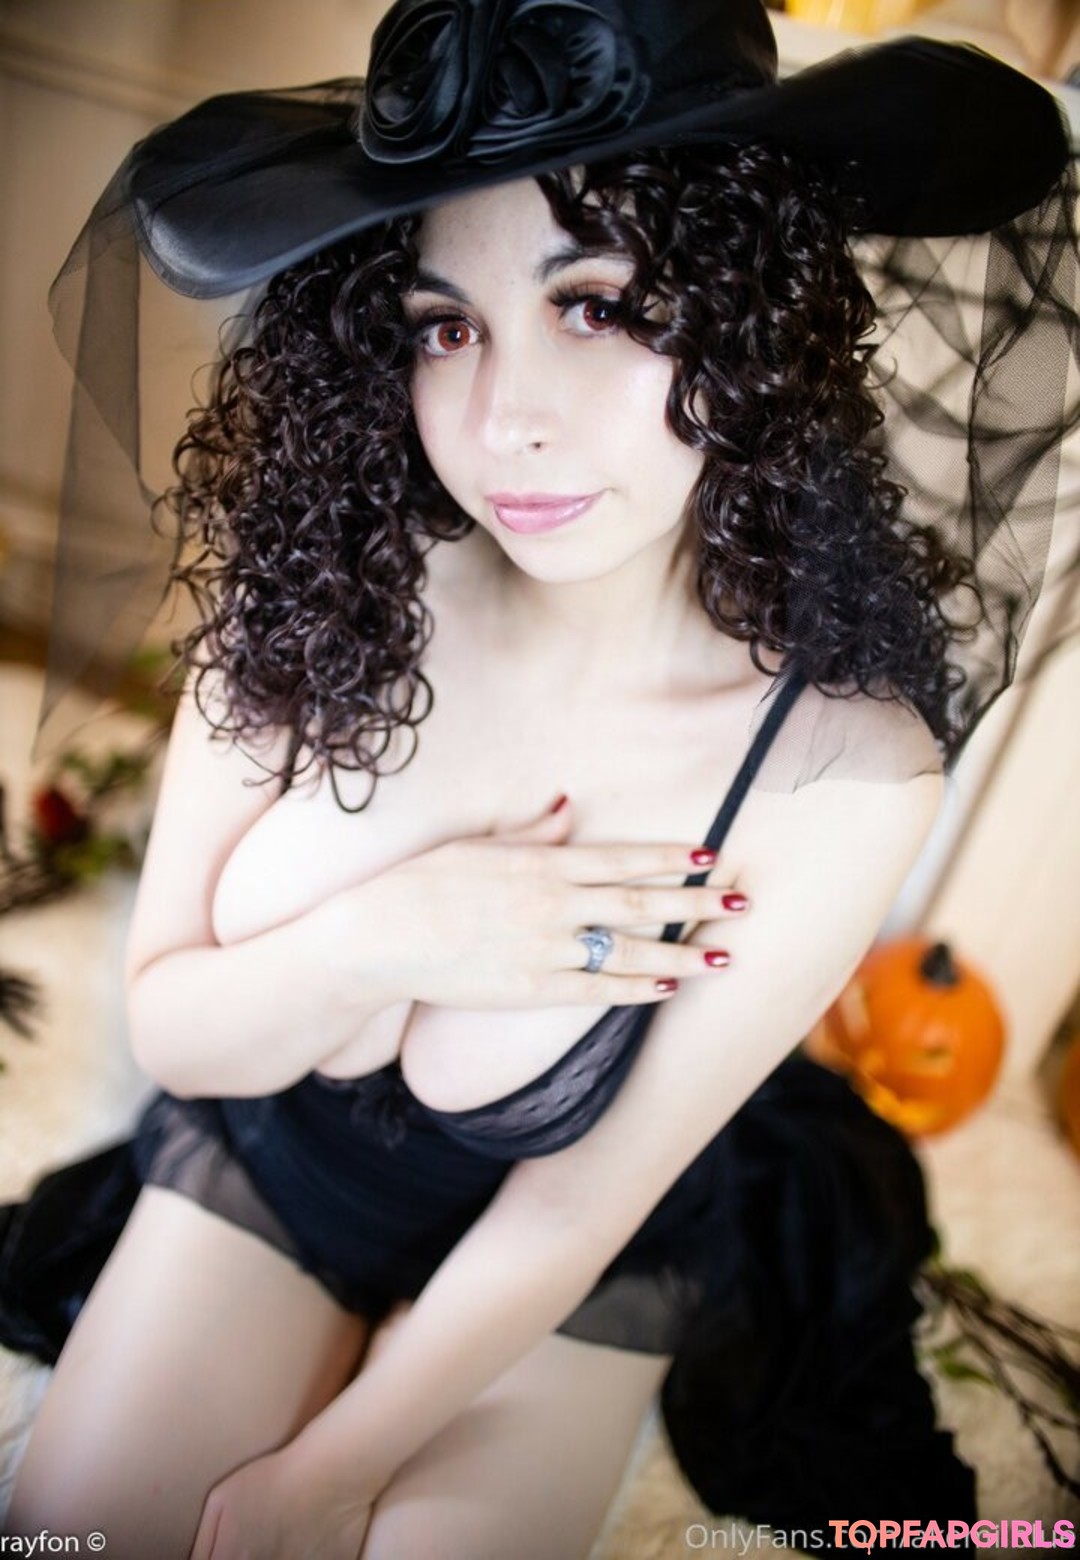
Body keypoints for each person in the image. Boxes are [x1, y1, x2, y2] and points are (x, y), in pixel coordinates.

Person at [4, 1, 1077, 1555]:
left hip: (567, 1268)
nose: (507, 419)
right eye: (448, 327)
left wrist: (327, 1473)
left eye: (596, 304)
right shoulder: (325, 591)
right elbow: (175, 1026)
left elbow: (578, 1206)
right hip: (276, 1175)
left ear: (745, 315)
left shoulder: (838, 768)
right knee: (76, 1527)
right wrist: (392, 936)